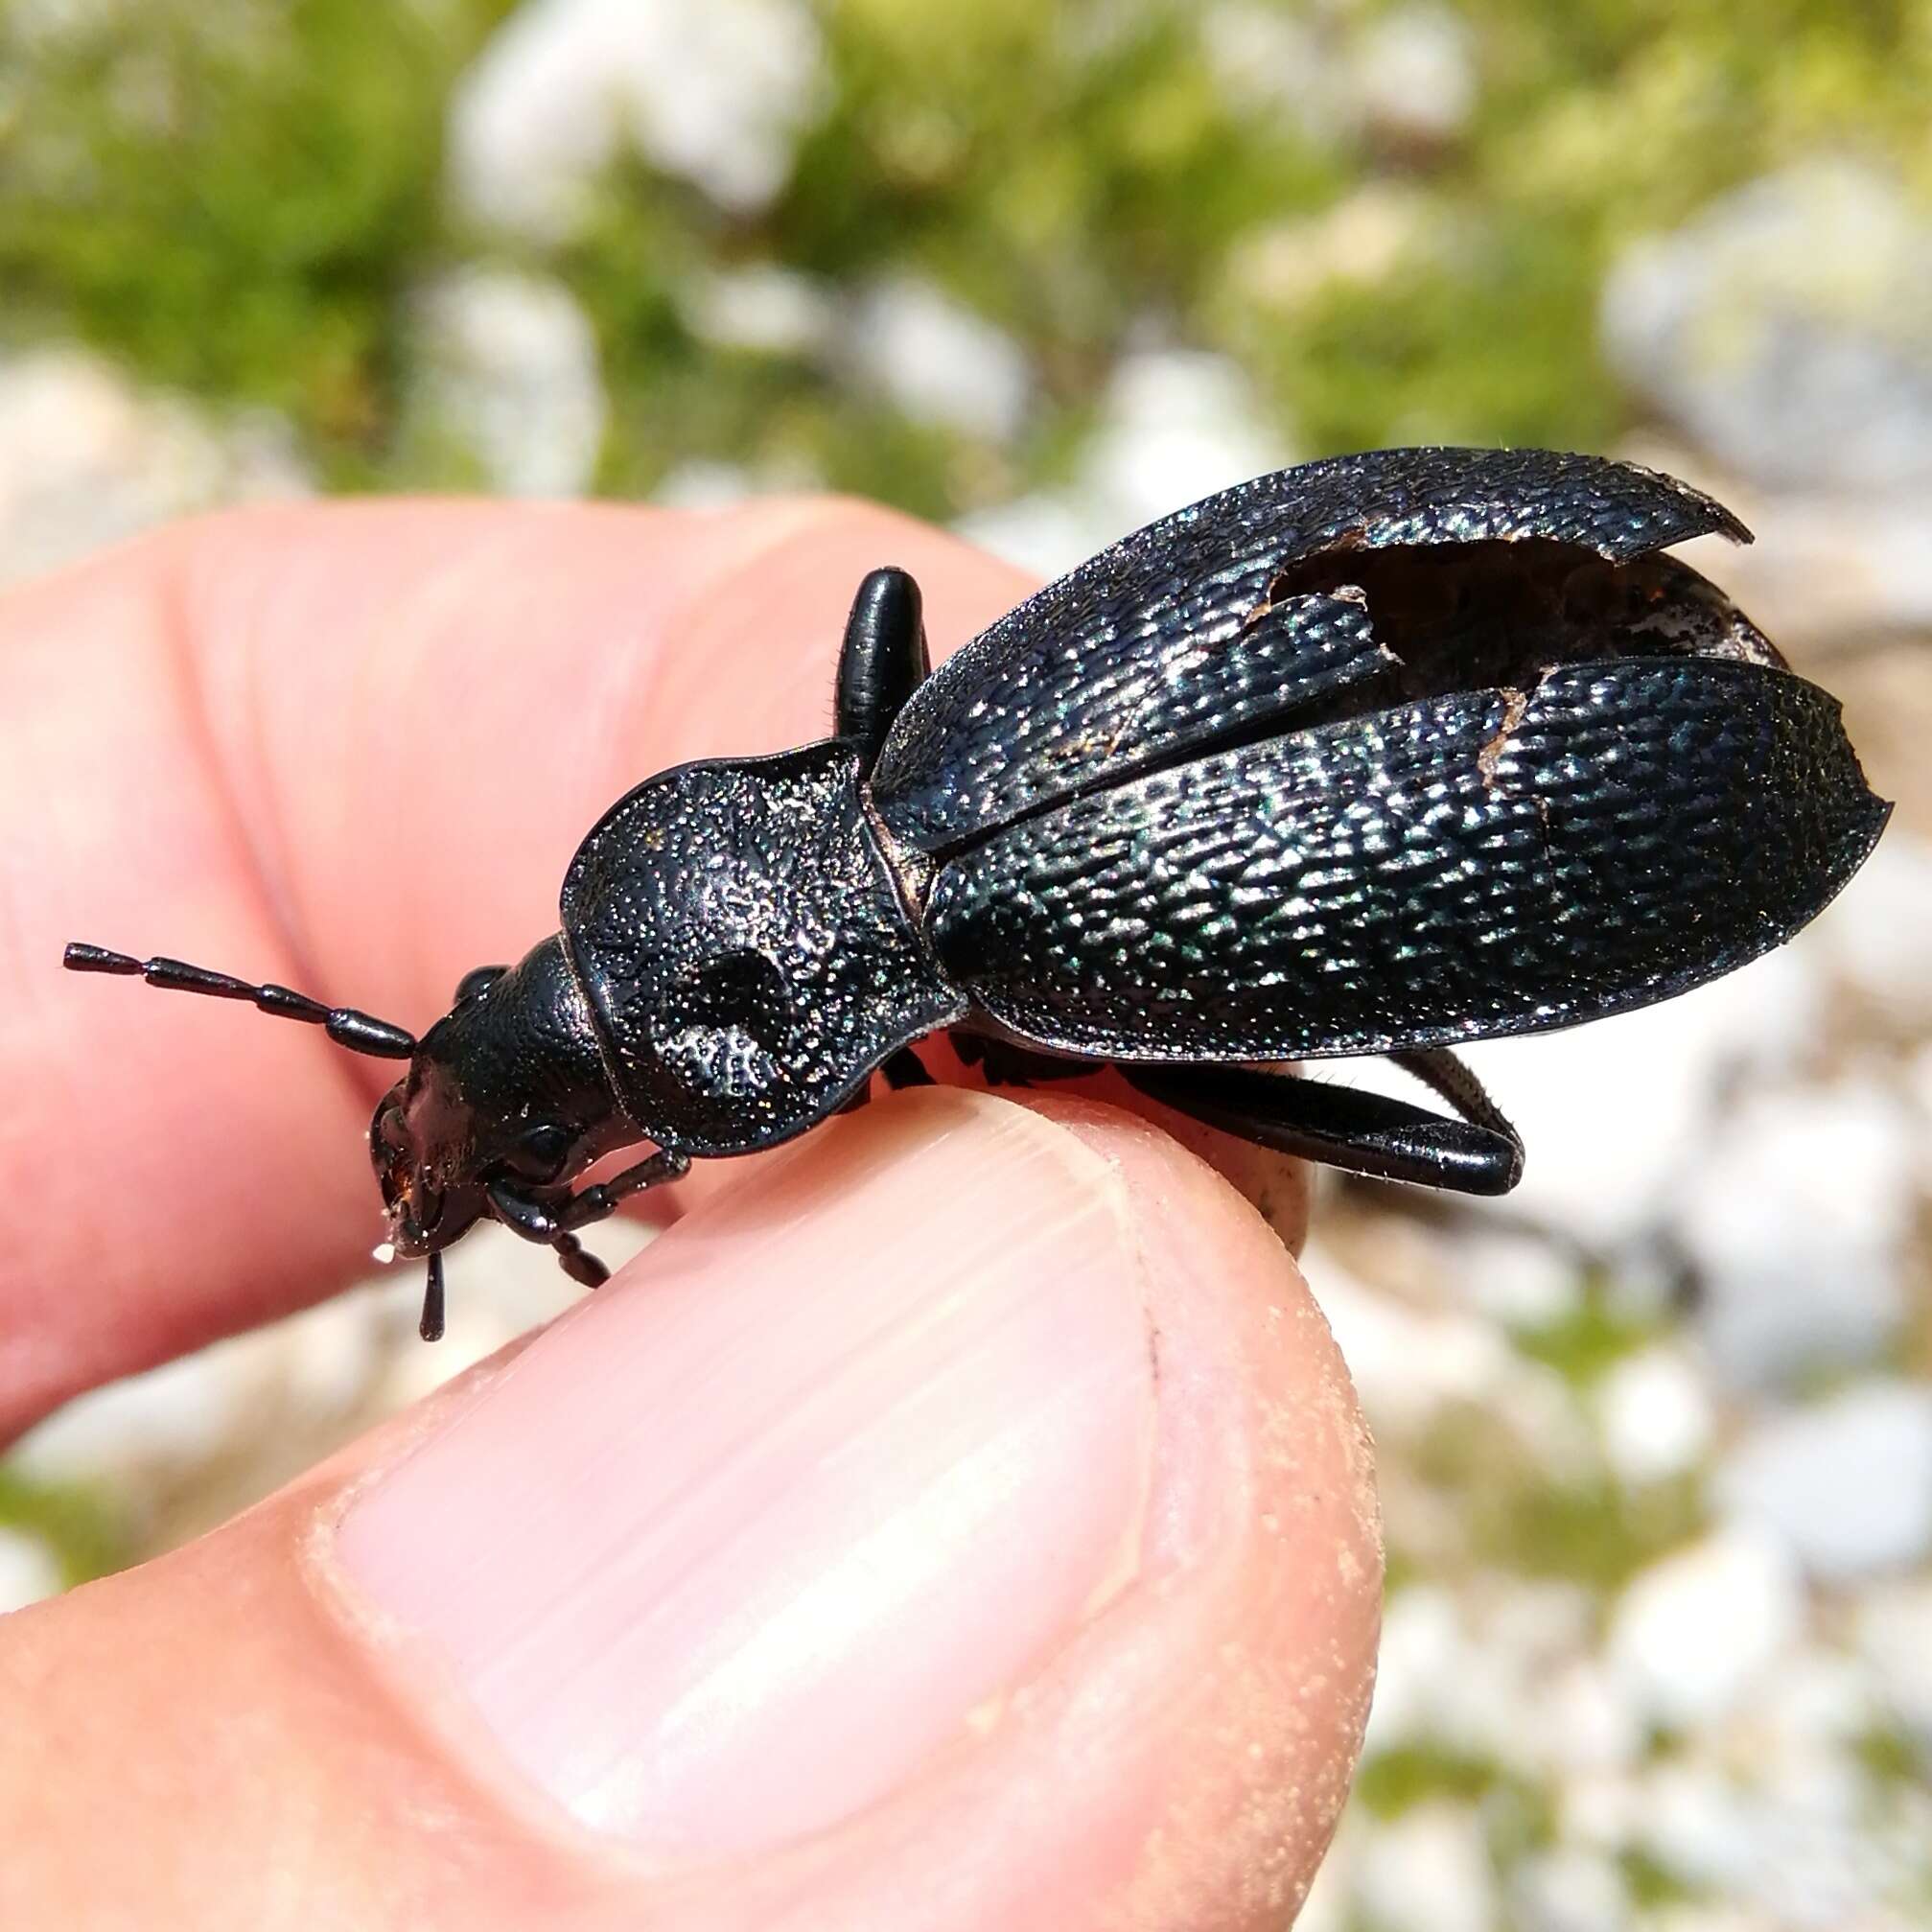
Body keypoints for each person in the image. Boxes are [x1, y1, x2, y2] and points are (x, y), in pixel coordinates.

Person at [0, 499, 1380, 1928]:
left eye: (569, 1140)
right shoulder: (908, 801)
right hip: (1205, 709)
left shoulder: (978, 1002)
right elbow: (887, 586)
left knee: (1439, 1146)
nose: (528, 1116)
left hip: (1353, 792)